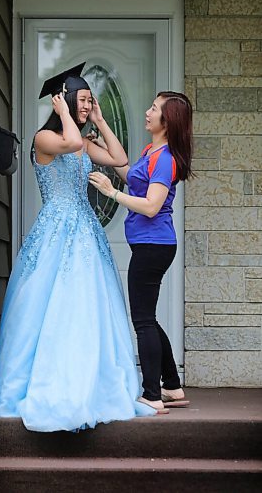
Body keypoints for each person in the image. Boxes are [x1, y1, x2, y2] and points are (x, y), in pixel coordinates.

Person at [0, 63, 158, 432]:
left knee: (86, 306)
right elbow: (73, 143)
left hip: (85, 232)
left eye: (89, 101)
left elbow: (119, 159)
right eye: (82, 100)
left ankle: (91, 384)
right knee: (47, 306)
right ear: (63, 100)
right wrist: (65, 114)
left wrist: (100, 118)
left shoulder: (82, 141)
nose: (86, 106)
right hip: (55, 231)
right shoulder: (44, 139)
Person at [89, 91, 193, 413]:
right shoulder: (152, 151)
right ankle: (172, 386)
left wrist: (111, 193)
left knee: (143, 322)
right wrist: (101, 123)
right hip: (150, 245)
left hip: (154, 246)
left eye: (154, 108)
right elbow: (129, 174)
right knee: (148, 318)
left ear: (167, 120)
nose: (148, 112)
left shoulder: (166, 160)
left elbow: (150, 206)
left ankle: (152, 394)